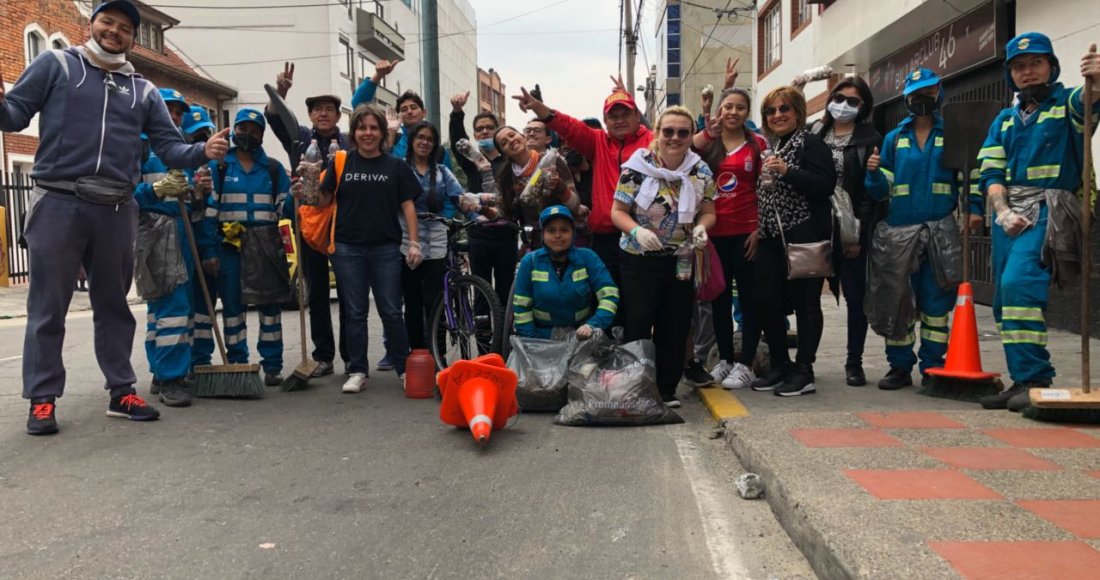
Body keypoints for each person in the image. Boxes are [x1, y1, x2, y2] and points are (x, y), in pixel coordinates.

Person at [2, 0, 228, 435]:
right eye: (108, 22)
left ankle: (121, 391)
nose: (115, 32)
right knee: (48, 307)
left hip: (118, 207)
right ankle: (43, 400)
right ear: (92, 24)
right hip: (59, 200)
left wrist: (203, 150)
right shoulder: (57, 65)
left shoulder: (142, 89)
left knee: (113, 306)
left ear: (132, 38)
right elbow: (13, 116)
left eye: (125, 27)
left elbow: (170, 149)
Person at [977, 34, 1100, 411]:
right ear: (1009, 74)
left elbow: (1088, 104)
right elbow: (990, 172)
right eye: (1018, 66)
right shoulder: (1004, 119)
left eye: (1035, 63)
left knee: (1019, 285)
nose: (1027, 72)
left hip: (1051, 210)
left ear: (1052, 66)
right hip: (1008, 217)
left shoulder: (1066, 104)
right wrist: (1001, 210)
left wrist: (1096, 82)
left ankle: (1035, 377)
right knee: (1004, 302)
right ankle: (1022, 378)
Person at [864, 69, 980, 391]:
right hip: (900, 232)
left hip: (940, 232)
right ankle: (899, 368)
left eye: (928, 93)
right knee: (898, 300)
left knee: (935, 302)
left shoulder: (954, 133)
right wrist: (874, 175)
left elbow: (967, 177)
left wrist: (975, 209)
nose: (922, 100)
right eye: (916, 94)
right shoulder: (893, 139)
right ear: (906, 99)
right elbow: (882, 189)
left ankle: (933, 366)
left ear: (939, 94)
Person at [610, 106, 717, 407]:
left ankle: (666, 388)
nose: (675, 138)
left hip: (681, 257)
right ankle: (636, 385)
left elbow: (709, 211)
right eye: (668, 131)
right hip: (638, 256)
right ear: (656, 133)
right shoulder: (636, 167)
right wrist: (636, 232)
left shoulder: (700, 171)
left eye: (683, 132)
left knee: (676, 322)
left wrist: (701, 229)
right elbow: (617, 212)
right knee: (640, 319)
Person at [315, 104, 420, 394]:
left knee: (391, 311)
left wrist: (414, 242)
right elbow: (322, 201)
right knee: (355, 312)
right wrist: (308, 187)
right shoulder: (340, 162)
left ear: (383, 133)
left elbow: (408, 205)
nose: (368, 133)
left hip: (386, 247)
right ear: (354, 133)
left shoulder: (396, 166)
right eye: (362, 128)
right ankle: (358, 370)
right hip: (347, 247)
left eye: (374, 128)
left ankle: (404, 368)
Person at [513, 85, 654, 285]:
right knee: (607, 297)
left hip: (645, 234)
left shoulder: (654, 141)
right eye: (614, 116)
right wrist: (538, 107)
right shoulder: (598, 141)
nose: (620, 120)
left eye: (626, 114)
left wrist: (709, 135)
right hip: (607, 237)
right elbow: (567, 125)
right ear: (605, 121)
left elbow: (684, 145)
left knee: (641, 305)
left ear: (637, 116)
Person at [194, 109, 292, 387]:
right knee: (234, 307)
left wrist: (297, 199)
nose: (247, 134)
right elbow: (208, 214)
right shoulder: (219, 167)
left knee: (270, 306)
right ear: (234, 131)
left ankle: (273, 366)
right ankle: (238, 362)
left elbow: (286, 209)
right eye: (242, 128)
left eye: (254, 129)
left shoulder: (273, 169)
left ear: (262, 134)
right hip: (229, 248)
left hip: (265, 247)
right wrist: (209, 252)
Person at [751, 87, 837, 397]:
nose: (777, 115)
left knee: (806, 304)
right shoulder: (769, 147)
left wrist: (788, 172)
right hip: (770, 237)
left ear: (798, 112)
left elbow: (825, 185)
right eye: (771, 111)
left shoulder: (811, 144)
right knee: (767, 301)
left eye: (784, 109)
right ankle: (780, 365)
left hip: (804, 236)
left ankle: (804, 370)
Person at [266, 62, 350, 378]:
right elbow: (274, 117)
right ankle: (323, 356)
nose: (323, 113)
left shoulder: (348, 142)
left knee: (348, 292)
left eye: (330, 109)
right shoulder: (300, 138)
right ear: (311, 115)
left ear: (338, 116)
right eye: (317, 109)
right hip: (310, 223)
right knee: (316, 292)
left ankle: (352, 356)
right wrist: (282, 91)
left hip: (342, 223)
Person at [136, 88, 210, 408]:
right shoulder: (137, 145)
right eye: (169, 110)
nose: (175, 117)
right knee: (172, 308)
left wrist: (199, 195)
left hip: (180, 230)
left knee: (163, 309)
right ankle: (171, 378)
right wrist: (155, 189)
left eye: (179, 112)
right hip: (154, 229)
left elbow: (194, 207)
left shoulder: (182, 150)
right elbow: (124, 195)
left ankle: (159, 370)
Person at [691, 87, 769, 390]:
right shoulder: (709, 145)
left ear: (747, 113)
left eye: (739, 107)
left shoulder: (758, 145)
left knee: (750, 301)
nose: (733, 112)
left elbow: (767, 190)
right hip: (713, 235)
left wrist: (759, 229)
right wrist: (706, 114)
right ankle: (724, 359)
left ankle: (745, 363)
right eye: (728, 107)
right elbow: (687, 153)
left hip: (746, 234)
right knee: (718, 301)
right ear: (720, 112)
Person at [809, 77, 882, 387]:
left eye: (853, 101)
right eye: (840, 97)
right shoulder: (815, 132)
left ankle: (854, 362)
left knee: (855, 296)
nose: (844, 105)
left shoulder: (870, 139)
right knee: (809, 298)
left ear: (863, 106)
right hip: (814, 226)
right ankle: (805, 363)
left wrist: (857, 232)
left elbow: (869, 192)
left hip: (852, 227)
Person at [401, 121, 471, 349]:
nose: (425, 142)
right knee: (412, 303)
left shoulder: (442, 171)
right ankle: (416, 354)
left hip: (438, 243)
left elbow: (460, 198)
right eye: (420, 137)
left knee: (437, 302)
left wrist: (482, 212)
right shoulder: (400, 168)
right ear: (411, 141)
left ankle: (437, 354)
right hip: (406, 242)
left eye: (430, 139)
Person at [512, 205, 619, 339]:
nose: (558, 235)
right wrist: (533, 341)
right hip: (540, 337)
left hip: (580, 336)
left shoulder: (588, 258)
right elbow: (521, 309)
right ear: (543, 235)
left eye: (564, 230)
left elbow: (609, 295)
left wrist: (592, 325)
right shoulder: (530, 262)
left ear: (573, 233)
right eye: (551, 230)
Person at [493, 125, 580, 251]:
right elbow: (508, 214)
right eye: (504, 143)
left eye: (512, 135)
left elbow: (575, 206)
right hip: (534, 242)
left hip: (563, 236)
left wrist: (560, 187)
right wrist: (487, 210)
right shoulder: (507, 177)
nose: (511, 141)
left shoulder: (552, 161)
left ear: (523, 136)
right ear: (503, 153)